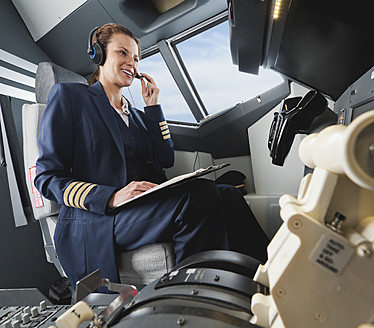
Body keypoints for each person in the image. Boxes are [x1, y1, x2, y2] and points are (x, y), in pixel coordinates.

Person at [35, 23, 269, 288]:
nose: (131, 63)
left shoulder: (134, 114)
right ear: (98, 56)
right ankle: (192, 293)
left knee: (228, 194)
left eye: (135, 58)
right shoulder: (71, 97)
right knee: (200, 197)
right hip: (97, 219)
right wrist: (110, 196)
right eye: (122, 53)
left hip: (138, 208)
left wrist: (153, 108)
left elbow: (164, 159)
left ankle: (265, 277)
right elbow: (46, 178)